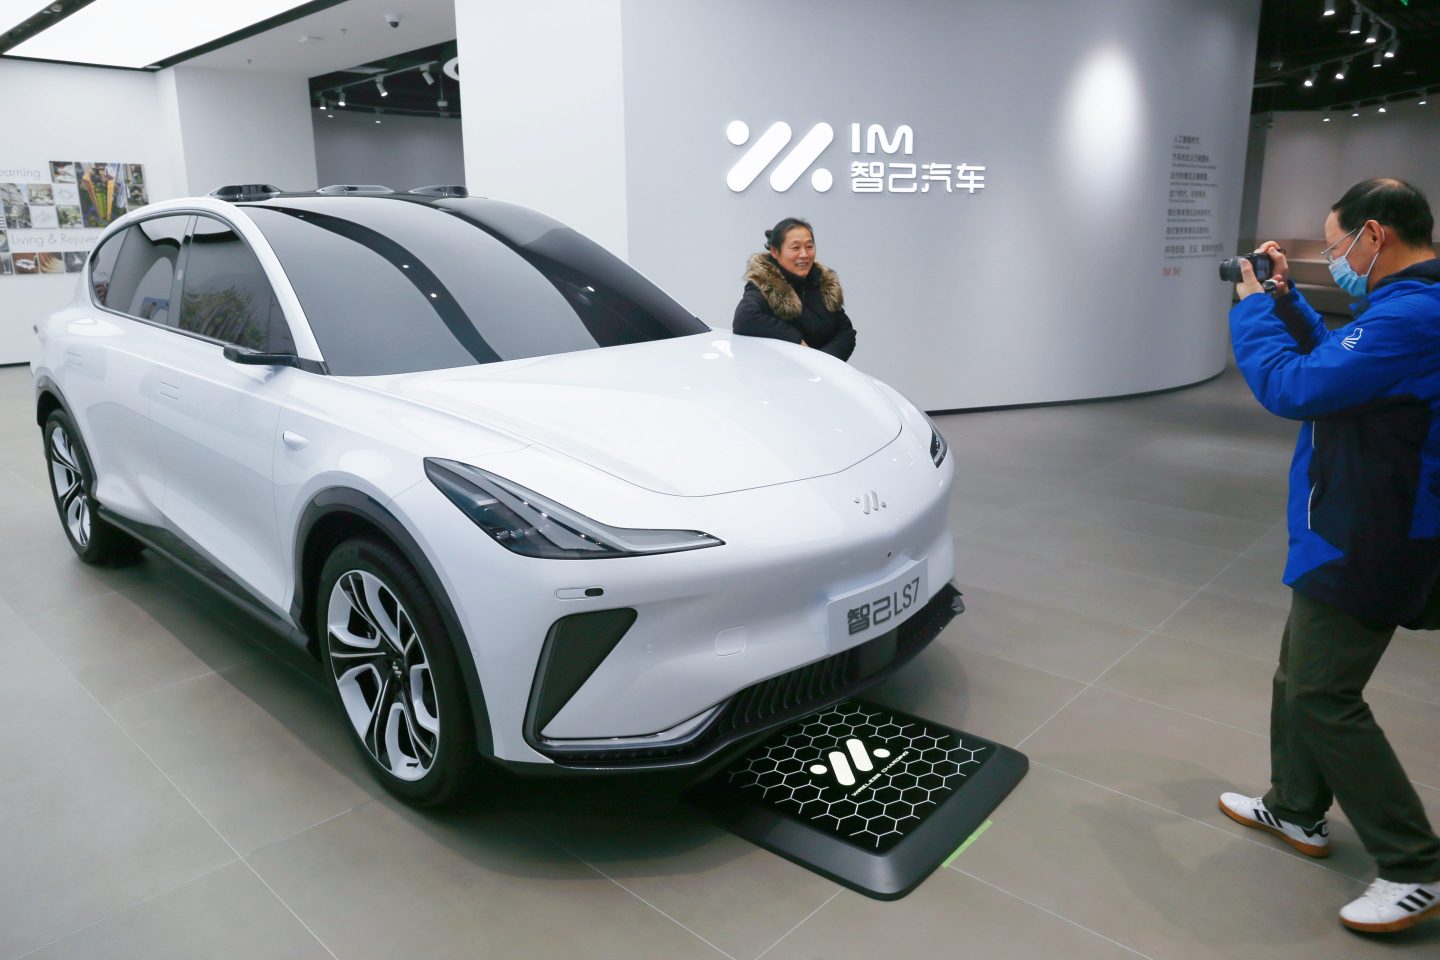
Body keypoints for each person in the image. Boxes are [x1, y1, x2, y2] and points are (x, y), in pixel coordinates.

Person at [1220, 177, 1440, 934]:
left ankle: (1414, 865)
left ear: (1374, 235)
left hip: (1371, 538)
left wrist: (1252, 311)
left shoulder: (1415, 316)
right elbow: (1341, 359)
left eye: (1338, 240)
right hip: (1349, 524)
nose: (1335, 256)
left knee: (1322, 693)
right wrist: (1286, 300)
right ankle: (1296, 809)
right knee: (1299, 674)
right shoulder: (1403, 310)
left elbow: (1293, 386)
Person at [733, 217, 856, 361]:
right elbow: (745, 317)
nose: (804, 254)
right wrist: (796, 340)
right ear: (774, 251)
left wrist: (822, 362)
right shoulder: (766, 285)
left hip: (824, 377)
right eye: (795, 248)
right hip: (781, 378)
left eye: (809, 247)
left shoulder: (824, 284)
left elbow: (846, 332)